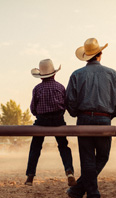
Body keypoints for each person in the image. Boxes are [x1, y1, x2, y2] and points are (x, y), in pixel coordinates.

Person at [65, 38, 116, 198]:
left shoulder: (76, 75)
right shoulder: (112, 74)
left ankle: (81, 192)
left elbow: (69, 100)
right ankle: (91, 197)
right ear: (100, 54)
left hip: (84, 119)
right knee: (103, 157)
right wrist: (110, 116)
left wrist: (77, 113)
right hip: (104, 119)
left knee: (87, 160)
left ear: (86, 57)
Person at [25, 59, 77, 187]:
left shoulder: (37, 89)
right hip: (58, 120)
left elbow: (33, 109)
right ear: (54, 74)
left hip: (42, 120)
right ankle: (69, 171)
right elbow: (65, 104)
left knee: (35, 147)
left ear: (41, 76)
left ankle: (30, 176)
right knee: (63, 146)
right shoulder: (60, 87)